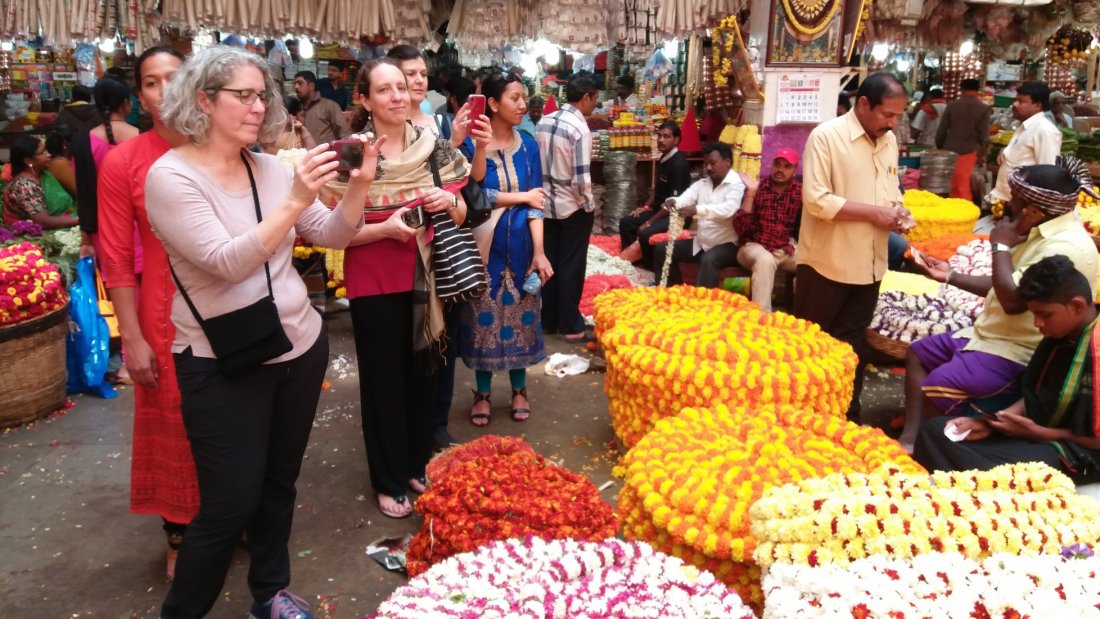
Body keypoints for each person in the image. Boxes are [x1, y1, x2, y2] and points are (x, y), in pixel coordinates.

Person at [146, 46, 378, 619]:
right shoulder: (171, 177)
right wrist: (297, 197)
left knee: (279, 484)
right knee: (228, 504)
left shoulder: (270, 168)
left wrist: (356, 187)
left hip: (298, 346)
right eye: (243, 96)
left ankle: (270, 593)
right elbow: (228, 262)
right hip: (221, 360)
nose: (258, 106)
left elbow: (330, 235)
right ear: (204, 100)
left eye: (261, 95)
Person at [342, 59, 469, 519]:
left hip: (428, 280)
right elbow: (329, 231)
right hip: (373, 282)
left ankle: (416, 464)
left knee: (424, 376)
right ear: (364, 100)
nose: (397, 96)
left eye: (402, 86)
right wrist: (384, 230)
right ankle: (390, 478)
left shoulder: (435, 149)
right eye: (384, 89)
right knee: (383, 384)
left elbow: (462, 213)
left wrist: (448, 200)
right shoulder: (351, 157)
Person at [899, 164, 1099, 452]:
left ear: (1033, 210)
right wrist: (951, 276)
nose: (1005, 203)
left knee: (938, 384)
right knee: (918, 353)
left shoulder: (1065, 245)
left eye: (1014, 197)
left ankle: (936, 448)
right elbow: (1007, 285)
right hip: (991, 333)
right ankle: (911, 439)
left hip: (1018, 348)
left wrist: (1000, 246)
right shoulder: (1032, 228)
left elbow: (1013, 301)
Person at [96, 47, 198, 583]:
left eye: (174, 79)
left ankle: (234, 519)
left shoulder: (225, 145)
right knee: (175, 421)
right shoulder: (125, 162)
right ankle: (179, 534)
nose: (164, 91)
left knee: (238, 421)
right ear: (140, 97)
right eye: (151, 83)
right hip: (163, 315)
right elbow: (114, 258)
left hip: (235, 309)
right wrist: (131, 338)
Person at [913, 255, 1100, 485]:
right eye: (1034, 314)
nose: (1037, 324)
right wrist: (993, 424)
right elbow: (1038, 394)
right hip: (1035, 436)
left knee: (1002, 474)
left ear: (1077, 306)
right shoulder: (1061, 334)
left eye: (1045, 315)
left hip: (1077, 452)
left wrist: (1038, 433)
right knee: (935, 431)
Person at [796, 72, 911, 423]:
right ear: (863, 104)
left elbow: (890, 190)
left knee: (852, 345)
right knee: (814, 343)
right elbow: (817, 201)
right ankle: (803, 414)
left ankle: (846, 413)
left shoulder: (888, 141)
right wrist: (875, 214)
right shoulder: (826, 138)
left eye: (897, 116)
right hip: (827, 263)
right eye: (887, 115)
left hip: (870, 265)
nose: (893, 123)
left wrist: (898, 211)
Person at [461, 72, 553, 426]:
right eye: (514, 98)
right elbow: (475, 196)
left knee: (522, 318)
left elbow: (537, 203)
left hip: (522, 246)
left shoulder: (528, 145)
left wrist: (540, 251)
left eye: (523, 97)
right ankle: (482, 393)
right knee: (483, 320)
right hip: (484, 248)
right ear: (493, 104)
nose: (522, 104)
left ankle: (519, 390)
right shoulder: (470, 144)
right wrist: (521, 195)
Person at [536, 71, 600, 343]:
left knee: (548, 264)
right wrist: (589, 206)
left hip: (545, 205)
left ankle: (548, 320)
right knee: (571, 265)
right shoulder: (579, 128)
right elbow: (581, 178)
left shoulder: (544, 121)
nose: (595, 104)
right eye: (595, 99)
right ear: (586, 98)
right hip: (571, 206)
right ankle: (571, 325)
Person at [652, 141, 745, 287]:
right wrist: (672, 202)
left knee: (709, 259)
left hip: (727, 245)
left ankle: (702, 302)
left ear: (727, 162)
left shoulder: (736, 184)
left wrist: (697, 209)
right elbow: (684, 199)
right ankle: (672, 291)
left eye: (713, 163)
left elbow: (729, 209)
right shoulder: (703, 184)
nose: (708, 167)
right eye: (706, 163)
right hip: (701, 243)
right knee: (661, 249)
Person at [73, 77, 140, 253]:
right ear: (126, 103)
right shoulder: (142, 139)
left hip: (102, 234)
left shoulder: (83, 143)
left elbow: (83, 193)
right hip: (141, 233)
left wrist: (85, 240)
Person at [734, 148, 803, 311]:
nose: (780, 170)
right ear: (771, 166)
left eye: (787, 167)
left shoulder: (799, 192)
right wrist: (750, 193)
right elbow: (741, 228)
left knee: (813, 263)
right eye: (777, 164)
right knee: (765, 260)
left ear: (794, 171)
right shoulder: (758, 188)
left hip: (784, 248)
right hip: (753, 246)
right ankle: (762, 321)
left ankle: (802, 317)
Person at [618, 121, 692, 266]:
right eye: (659, 136)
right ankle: (633, 261)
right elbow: (657, 188)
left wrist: (649, 222)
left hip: (676, 215)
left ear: (676, 140)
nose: (661, 140)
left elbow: (673, 204)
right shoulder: (665, 158)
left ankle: (650, 266)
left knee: (646, 232)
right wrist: (645, 207)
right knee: (627, 222)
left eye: (666, 137)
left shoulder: (678, 164)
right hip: (659, 211)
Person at [988, 82, 1061, 209]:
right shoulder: (1024, 126)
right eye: (1016, 100)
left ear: (1037, 105)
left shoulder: (1045, 130)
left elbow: (1048, 174)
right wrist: (1005, 150)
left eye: (1021, 101)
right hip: (1007, 201)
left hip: (1022, 206)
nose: (1015, 104)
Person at [387, 45, 471, 148]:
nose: (420, 80)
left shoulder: (443, 123)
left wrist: (480, 146)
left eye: (423, 74)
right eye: (411, 74)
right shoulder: (382, 126)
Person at [3, 136, 79, 229]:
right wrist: (81, 220)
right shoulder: (24, 185)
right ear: (29, 161)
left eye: (46, 150)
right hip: (31, 235)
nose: (49, 155)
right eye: (42, 153)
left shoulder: (42, 174)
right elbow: (43, 221)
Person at [935, 78, 991, 202]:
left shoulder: (952, 106)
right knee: (963, 183)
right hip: (970, 151)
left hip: (949, 150)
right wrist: (983, 155)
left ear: (962, 89)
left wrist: (940, 147)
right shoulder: (983, 108)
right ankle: (964, 211)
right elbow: (985, 137)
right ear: (978, 90)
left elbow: (941, 131)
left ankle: (951, 210)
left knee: (949, 183)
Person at [293, 70, 349, 144]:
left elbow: (344, 134)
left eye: (300, 83)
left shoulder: (329, 106)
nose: (296, 87)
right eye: (295, 84)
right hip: (301, 154)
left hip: (326, 154)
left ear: (311, 86)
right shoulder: (294, 107)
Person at [42, 127, 77, 216]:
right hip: (67, 212)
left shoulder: (57, 161)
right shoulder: (60, 164)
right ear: (65, 145)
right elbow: (78, 191)